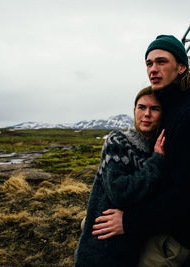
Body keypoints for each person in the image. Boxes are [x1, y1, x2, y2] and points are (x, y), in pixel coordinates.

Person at [92, 34, 190, 266]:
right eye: (149, 63)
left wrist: (129, 221)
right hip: (156, 223)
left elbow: (187, 196)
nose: (153, 69)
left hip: (173, 236)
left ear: (181, 67)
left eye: (161, 62)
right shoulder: (170, 111)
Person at [75, 86, 166, 267]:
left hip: (132, 247)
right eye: (141, 107)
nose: (146, 114)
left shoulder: (158, 150)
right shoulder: (117, 141)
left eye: (154, 109)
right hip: (101, 248)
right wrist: (156, 162)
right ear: (134, 111)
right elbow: (119, 192)